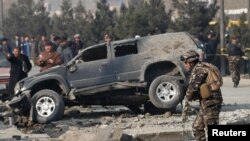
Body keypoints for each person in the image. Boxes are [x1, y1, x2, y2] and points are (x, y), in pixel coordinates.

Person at [181, 50, 223, 141]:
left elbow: (193, 88)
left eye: (186, 62)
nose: (185, 65)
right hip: (205, 103)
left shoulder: (200, 69)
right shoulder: (200, 67)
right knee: (197, 127)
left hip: (211, 103)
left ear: (191, 62)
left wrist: (187, 97)